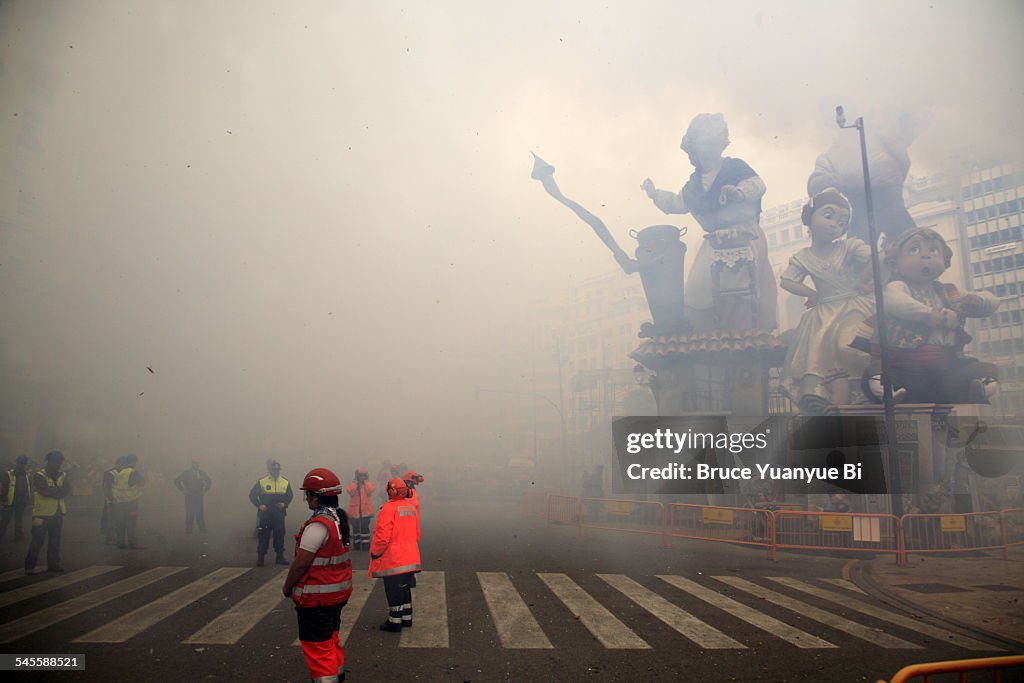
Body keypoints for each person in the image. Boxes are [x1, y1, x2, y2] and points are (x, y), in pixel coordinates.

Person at [642, 112, 778, 333]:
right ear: (693, 145)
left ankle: (741, 335)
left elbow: (758, 184)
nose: (710, 147)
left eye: (716, 141)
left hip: (744, 237)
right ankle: (709, 336)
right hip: (714, 242)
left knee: (737, 287)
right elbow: (679, 203)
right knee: (698, 290)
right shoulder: (694, 184)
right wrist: (655, 194)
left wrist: (740, 193)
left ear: (723, 143)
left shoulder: (735, 168)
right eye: (706, 141)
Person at [870, 227, 999, 403]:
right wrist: (928, 315)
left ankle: (973, 389)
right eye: (914, 250)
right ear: (895, 262)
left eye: (933, 250)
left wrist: (979, 300)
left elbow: (992, 303)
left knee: (983, 371)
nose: (926, 256)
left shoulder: (947, 292)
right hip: (904, 365)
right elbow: (895, 302)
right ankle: (890, 393)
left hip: (945, 365)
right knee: (876, 376)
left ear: (944, 260)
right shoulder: (897, 286)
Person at [779, 189, 875, 411]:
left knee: (853, 346)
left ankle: (863, 392)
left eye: (842, 222)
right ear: (809, 219)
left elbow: (876, 258)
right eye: (828, 216)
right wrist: (810, 293)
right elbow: (786, 281)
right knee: (819, 354)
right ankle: (826, 398)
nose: (835, 225)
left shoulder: (849, 247)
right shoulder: (803, 257)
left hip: (855, 306)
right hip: (824, 313)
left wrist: (864, 280)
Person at [282, 468, 352, 683]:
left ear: (317, 496)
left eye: (308, 495)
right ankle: (337, 676)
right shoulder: (338, 519)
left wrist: (287, 587)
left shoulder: (319, 525)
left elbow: (301, 563)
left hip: (317, 598)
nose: (307, 500)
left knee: (318, 648)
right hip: (336, 594)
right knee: (330, 640)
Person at [370, 478, 421, 632]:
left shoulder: (388, 509)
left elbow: (382, 536)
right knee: (404, 587)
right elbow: (417, 534)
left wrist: (375, 553)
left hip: (394, 558)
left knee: (393, 589)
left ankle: (394, 621)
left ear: (391, 491)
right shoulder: (411, 508)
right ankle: (406, 617)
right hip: (410, 556)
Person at [25, 450, 71, 575]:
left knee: (55, 541)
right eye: (54, 462)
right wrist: (57, 492)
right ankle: (30, 566)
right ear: (48, 462)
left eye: (58, 463)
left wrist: (53, 491)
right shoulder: (39, 475)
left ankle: (53, 564)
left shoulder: (63, 475)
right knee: (37, 541)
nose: (56, 465)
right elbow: (42, 491)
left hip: (57, 513)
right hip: (41, 514)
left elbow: (67, 489)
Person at [250, 458, 293, 566]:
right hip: (266, 514)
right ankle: (260, 559)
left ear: (279, 470)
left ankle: (280, 557)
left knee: (279, 535)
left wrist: (285, 504)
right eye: (274, 469)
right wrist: (259, 505)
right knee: (263, 535)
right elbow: (252, 494)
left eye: (277, 470)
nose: (276, 471)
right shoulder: (262, 482)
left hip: (279, 514)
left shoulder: (285, 482)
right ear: (270, 470)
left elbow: (289, 495)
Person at [110, 454, 144, 549]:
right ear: (134, 462)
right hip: (131, 501)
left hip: (119, 501)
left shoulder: (119, 472)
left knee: (120, 522)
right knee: (131, 523)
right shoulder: (133, 472)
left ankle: (120, 543)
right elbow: (141, 482)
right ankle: (132, 543)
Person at [174, 458, 212, 534]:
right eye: (195, 463)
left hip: (199, 496)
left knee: (200, 512)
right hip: (189, 496)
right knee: (189, 512)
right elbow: (177, 481)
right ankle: (189, 529)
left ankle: (202, 529)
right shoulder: (186, 473)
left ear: (199, 464)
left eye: (198, 463)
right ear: (192, 464)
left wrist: (205, 490)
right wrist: (183, 490)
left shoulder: (202, 473)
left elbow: (209, 481)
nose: (196, 465)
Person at [1, 455, 33, 542]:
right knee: (6, 519)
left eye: (24, 464)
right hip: (10, 500)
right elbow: (3, 487)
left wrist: (28, 499)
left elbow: (29, 487)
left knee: (19, 519)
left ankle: (18, 536)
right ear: (17, 463)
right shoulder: (8, 474)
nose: (22, 465)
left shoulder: (27, 475)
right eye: (20, 463)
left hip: (21, 500)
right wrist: (3, 500)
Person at [346, 468, 375, 551]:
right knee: (355, 530)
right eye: (360, 475)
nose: (362, 477)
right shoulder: (353, 484)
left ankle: (366, 546)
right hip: (354, 512)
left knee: (365, 529)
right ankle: (357, 546)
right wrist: (355, 483)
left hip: (366, 512)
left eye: (363, 475)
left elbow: (371, 490)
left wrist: (366, 482)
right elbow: (349, 491)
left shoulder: (368, 484)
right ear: (357, 476)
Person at [100, 456, 122, 545]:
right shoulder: (111, 473)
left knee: (115, 519)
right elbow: (106, 487)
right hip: (111, 500)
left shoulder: (114, 472)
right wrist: (111, 498)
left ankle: (112, 538)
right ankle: (110, 538)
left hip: (115, 499)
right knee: (111, 519)